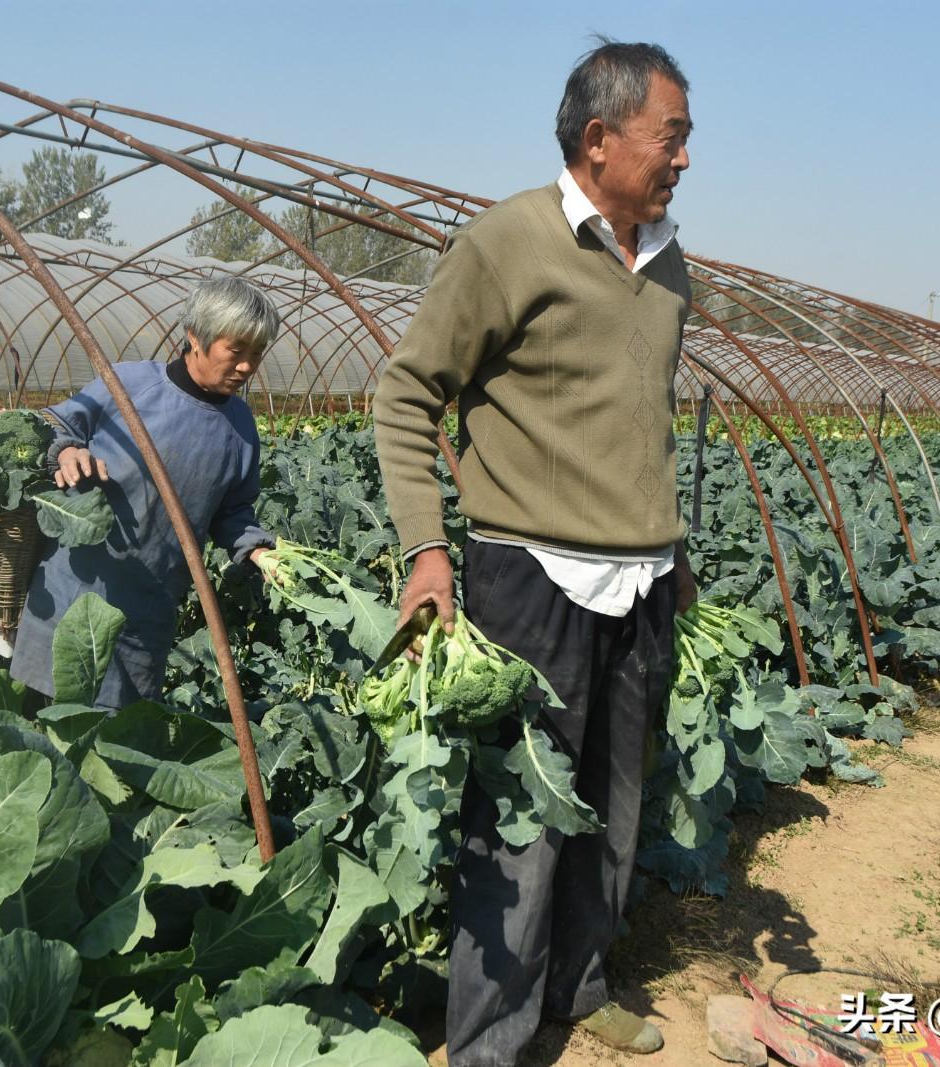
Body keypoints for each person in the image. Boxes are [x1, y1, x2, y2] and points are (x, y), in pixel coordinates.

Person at [372, 40, 699, 1066]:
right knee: (520, 820)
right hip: (529, 575)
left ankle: (581, 986)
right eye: (671, 137)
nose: (684, 159)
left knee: (610, 805)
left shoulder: (670, 261)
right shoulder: (507, 241)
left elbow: (641, 421)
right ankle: (489, 1041)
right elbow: (407, 393)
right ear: (599, 139)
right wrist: (427, 550)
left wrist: (670, 544)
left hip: (639, 579)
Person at [10, 275, 279, 709]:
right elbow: (55, 424)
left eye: (257, 353)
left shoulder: (242, 428)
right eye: (237, 351)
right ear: (196, 337)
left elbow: (233, 513)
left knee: (112, 754)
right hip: (69, 597)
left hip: (143, 619)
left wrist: (257, 550)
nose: (247, 366)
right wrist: (65, 452)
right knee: (41, 737)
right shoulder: (130, 385)